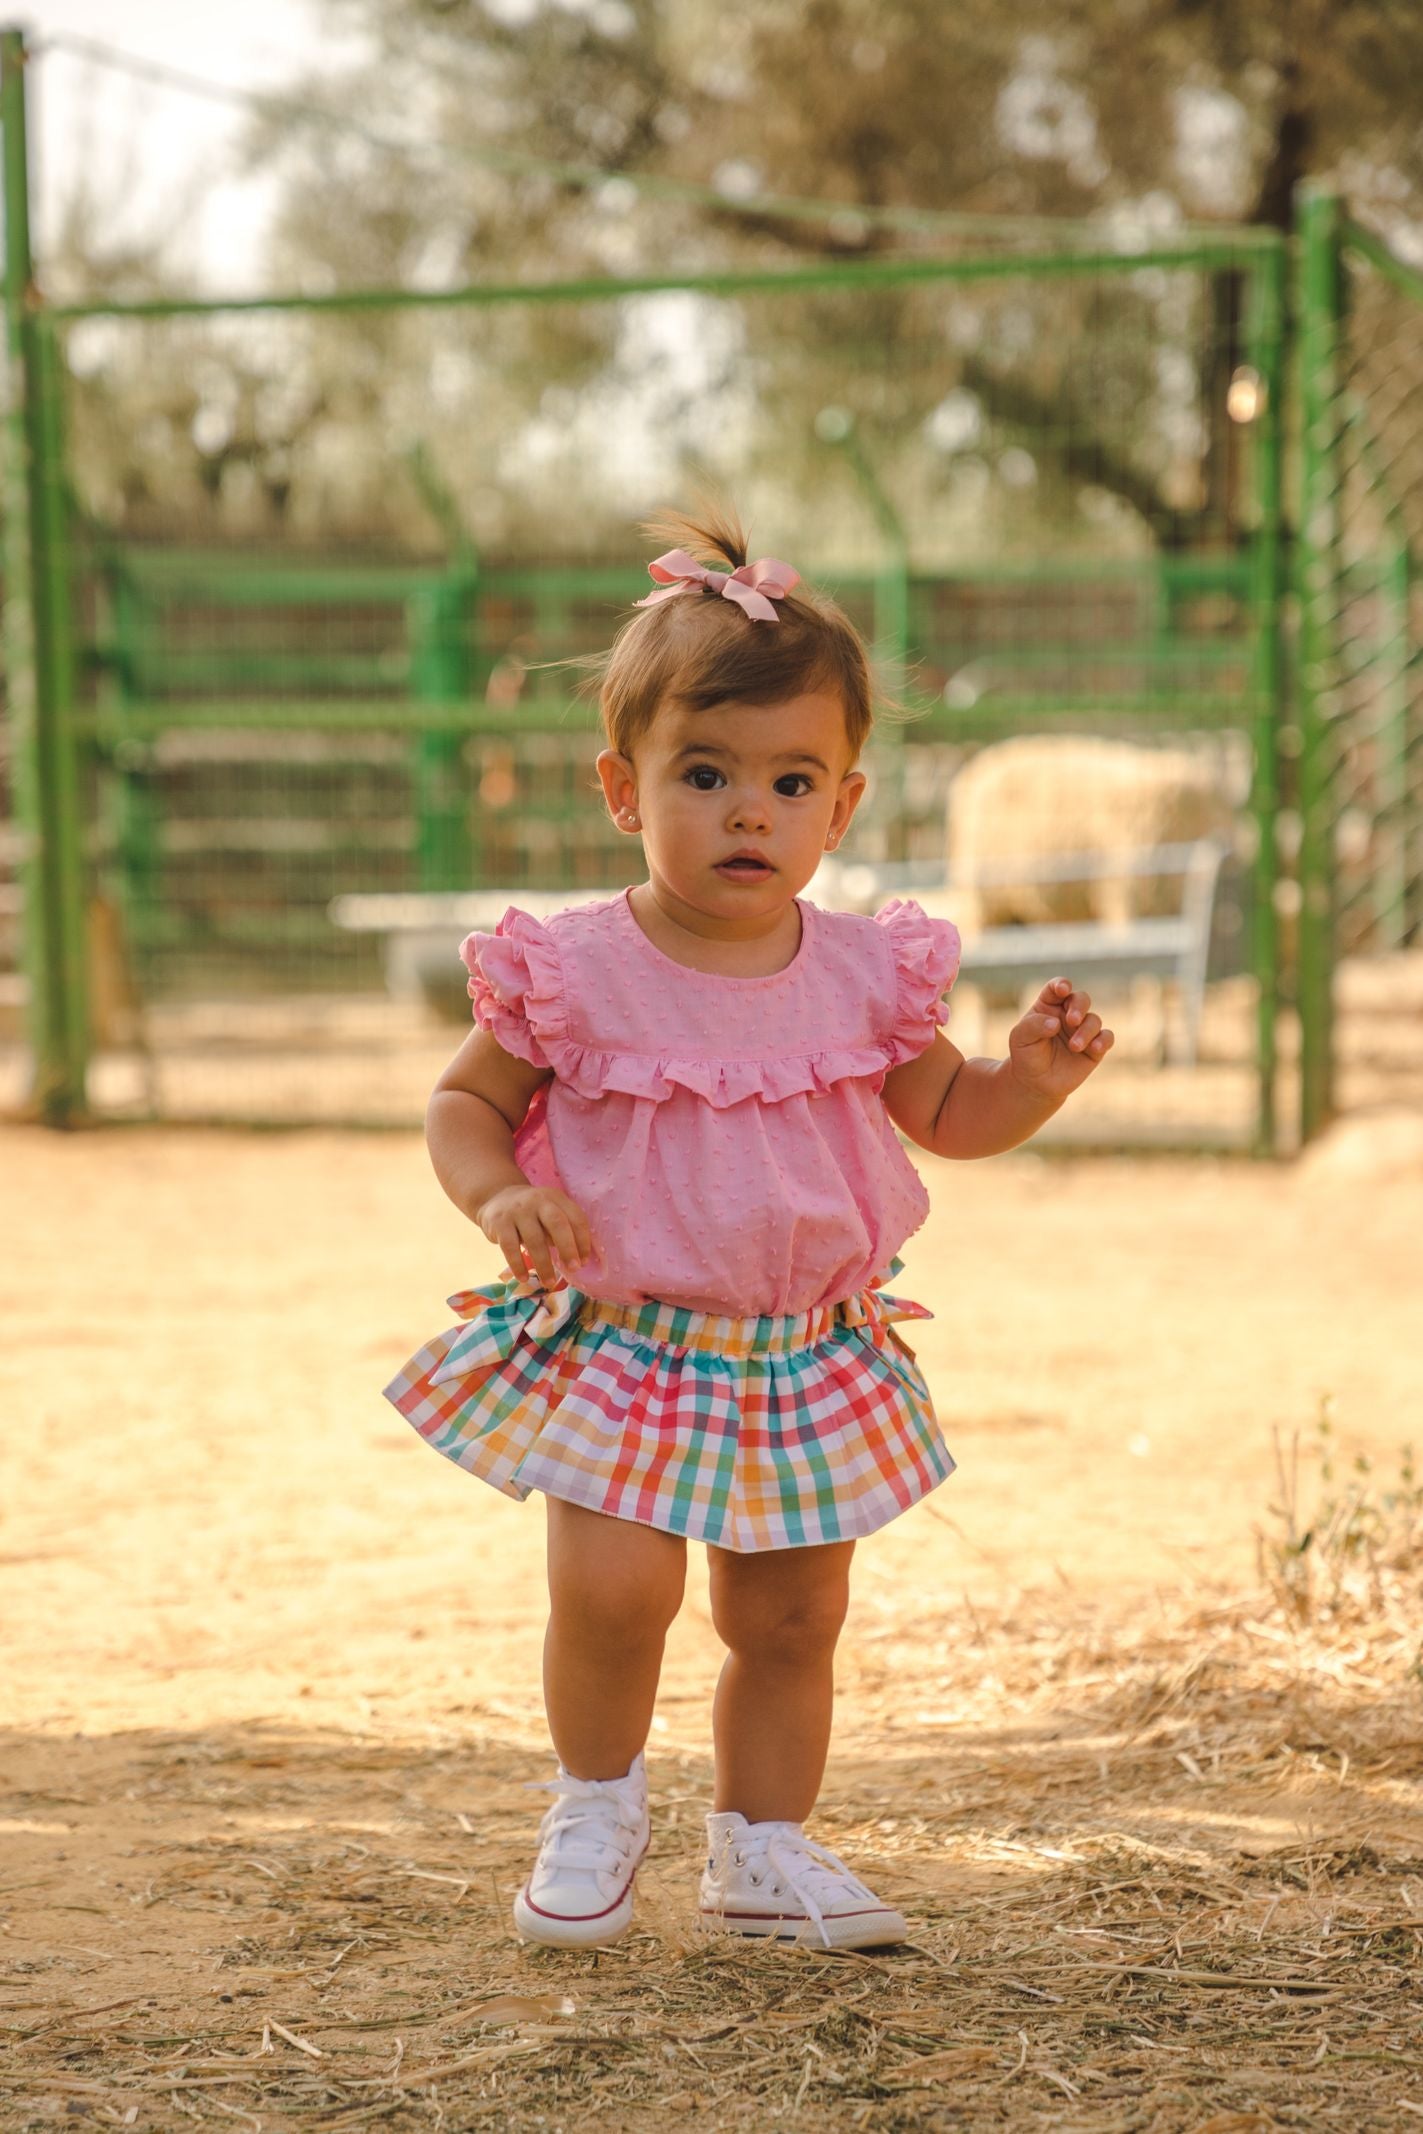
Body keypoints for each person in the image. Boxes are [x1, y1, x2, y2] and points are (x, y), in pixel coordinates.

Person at [384, 507, 1113, 1953]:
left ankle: (761, 1844)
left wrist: (1028, 1080)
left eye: (791, 780)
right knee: (614, 1586)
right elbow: (465, 1104)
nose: (747, 812)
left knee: (790, 1617)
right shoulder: (573, 970)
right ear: (621, 785)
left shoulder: (867, 974)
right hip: (631, 1338)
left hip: (802, 1352)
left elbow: (947, 1112)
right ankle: (596, 1801)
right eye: (704, 773)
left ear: (841, 806)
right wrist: (499, 1190)